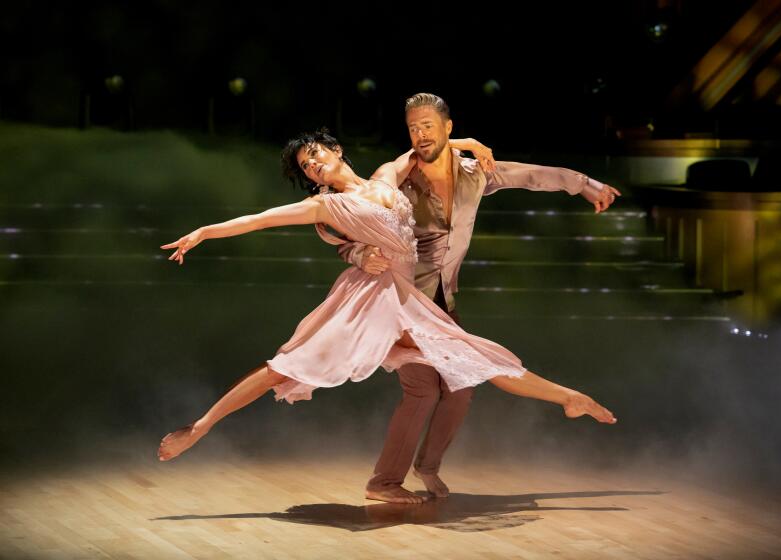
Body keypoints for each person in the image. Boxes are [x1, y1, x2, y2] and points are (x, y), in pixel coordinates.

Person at [156, 130, 617, 480]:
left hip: (403, 298)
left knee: (469, 357)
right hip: (367, 298)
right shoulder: (324, 209)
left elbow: (423, 152)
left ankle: (570, 399)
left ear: (335, 150)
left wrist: (467, 140)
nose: (313, 164)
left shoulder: (383, 177)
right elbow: (258, 221)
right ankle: (199, 427)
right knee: (288, 366)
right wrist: (203, 233)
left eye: (316, 153)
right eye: (306, 165)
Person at [337, 93, 622, 504]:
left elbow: (529, 175)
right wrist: (362, 253)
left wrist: (584, 184)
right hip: (401, 303)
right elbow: (348, 226)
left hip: (443, 303)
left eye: (428, 126)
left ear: (447, 128)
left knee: (461, 388)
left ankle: (427, 467)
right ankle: (383, 482)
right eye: (413, 128)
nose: (419, 135)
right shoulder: (397, 180)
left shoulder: (475, 174)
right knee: (423, 390)